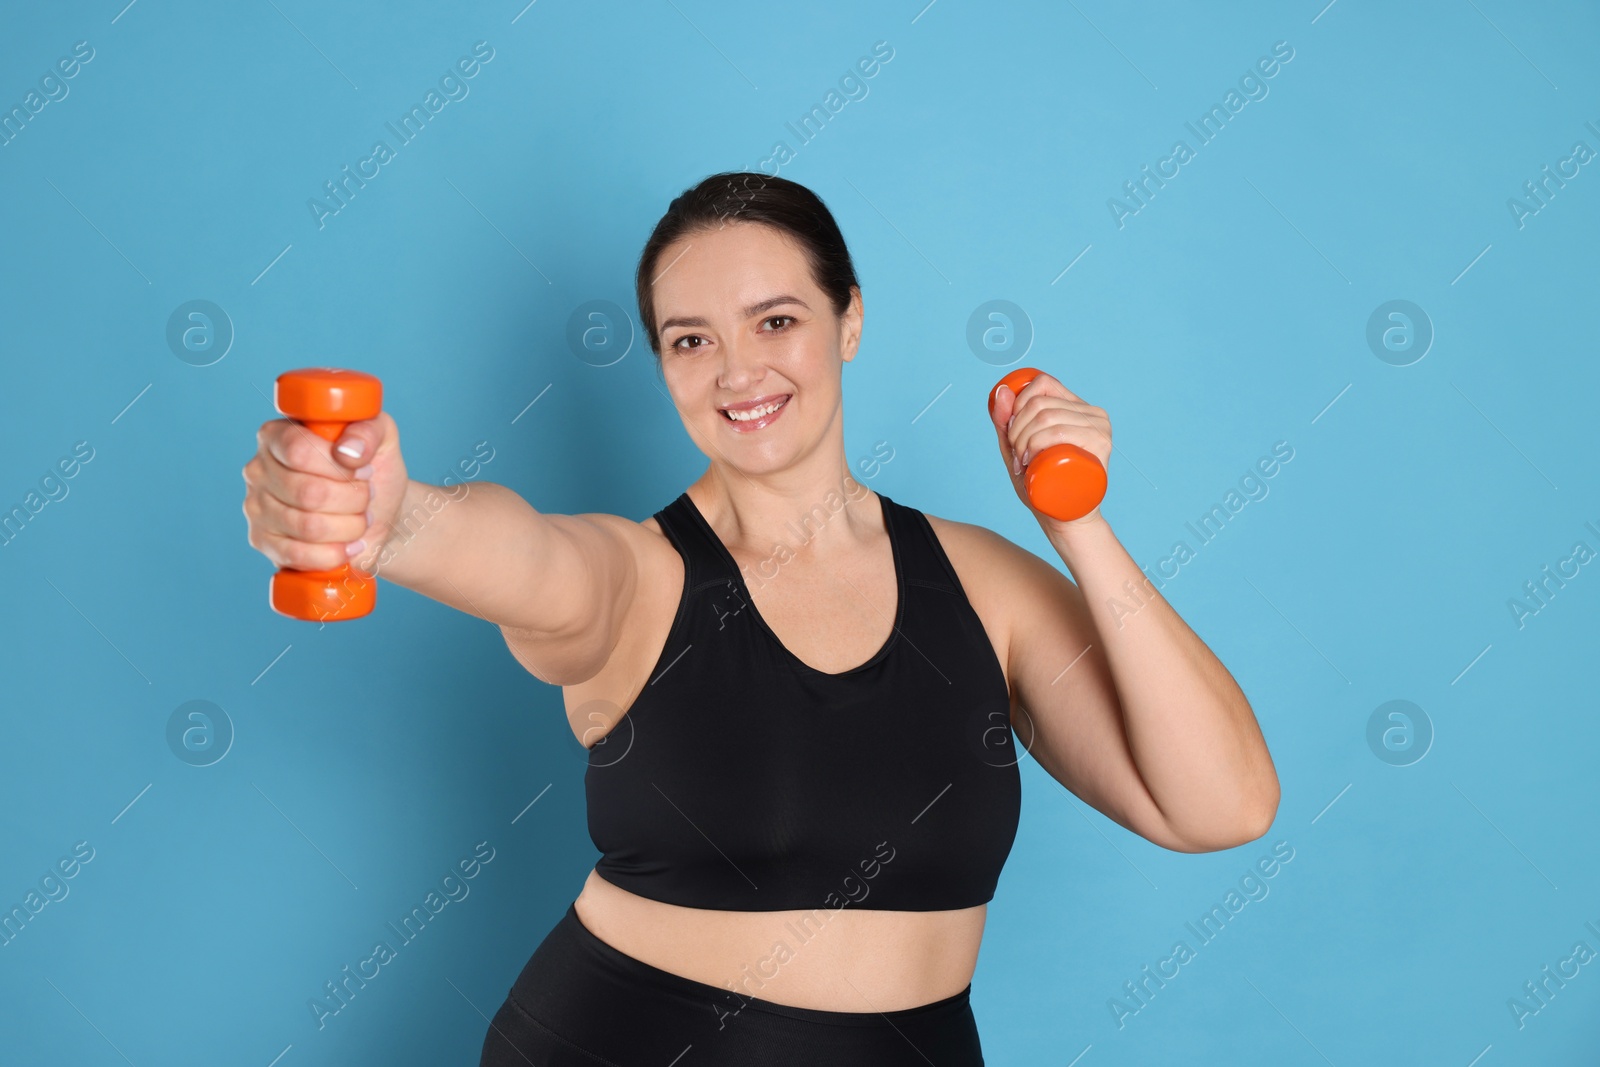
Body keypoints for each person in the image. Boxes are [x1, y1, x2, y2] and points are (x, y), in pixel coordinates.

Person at [241, 171, 1280, 1065]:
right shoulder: (642, 576)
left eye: (775, 320)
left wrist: (1078, 524)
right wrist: (394, 520)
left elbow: (1219, 806)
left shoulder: (979, 582)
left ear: (850, 319)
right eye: (690, 339)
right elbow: (530, 559)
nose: (737, 371)